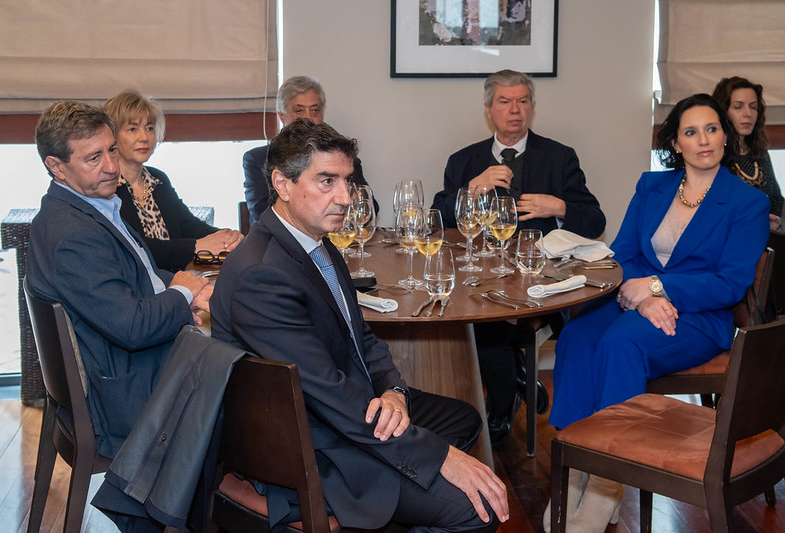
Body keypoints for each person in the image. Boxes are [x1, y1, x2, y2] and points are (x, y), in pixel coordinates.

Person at [212, 119, 508, 532]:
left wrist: (394, 392)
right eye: (327, 181)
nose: (345, 197)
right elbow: (328, 395)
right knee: (480, 510)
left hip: (345, 404)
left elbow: (362, 337)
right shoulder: (262, 274)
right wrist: (441, 457)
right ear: (282, 184)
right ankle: (381, 497)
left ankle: (395, 504)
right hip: (315, 442)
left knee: (462, 419)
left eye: (347, 181)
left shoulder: (314, 242)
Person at [544, 94, 770, 533]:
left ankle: (608, 481)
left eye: (712, 129)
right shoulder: (652, 186)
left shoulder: (747, 202)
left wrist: (656, 288)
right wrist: (644, 297)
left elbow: (729, 283)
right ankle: (576, 464)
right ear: (676, 143)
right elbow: (623, 254)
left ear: (725, 136)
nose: (703, 140)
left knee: (621, 341)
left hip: (700, 315)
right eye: (691, 132)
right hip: (635, 300)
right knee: (576, 337)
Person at [26, 101, 212, 459]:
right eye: (94, 158)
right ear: (57, 167)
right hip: (124, 395)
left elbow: (138, 272)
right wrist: (180, 295)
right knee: (247, 375)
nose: (112, 167)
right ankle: (211, 486)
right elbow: (134, 328)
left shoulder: (88, 205)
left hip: (122, 367)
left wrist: (191, 289)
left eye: (111, 150)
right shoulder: (74, 235)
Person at [430, 69, 606, 443]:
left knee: (489, 330)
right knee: (473, 319)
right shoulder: (463, 161)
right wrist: (472, 188)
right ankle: (515, 381)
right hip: (477, 278)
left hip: (540, 278)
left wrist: (558, 206)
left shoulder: (559, 157)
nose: (515, 110)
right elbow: (438, 219)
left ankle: (501, 405)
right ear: (489, 109)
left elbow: (595, 221)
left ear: (532, 107)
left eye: (522, 101)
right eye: (505, 102)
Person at [104, 89, 243, 271]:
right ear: (112, 136)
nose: (144, 137)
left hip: (177, 277)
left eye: (149, 128)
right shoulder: (107, 187)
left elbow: (188, 225)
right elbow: (137, 247)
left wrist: (228, 237)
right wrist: (196, 246)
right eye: (132, 129)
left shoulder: (158, 179)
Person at [243, 75, 378, 227]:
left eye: (315, 110)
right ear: (281, 116)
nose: (308, 118)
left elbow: (369, 209)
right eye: (299, 111)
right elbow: (262, 213)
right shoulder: (258, 159)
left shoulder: (341, 159)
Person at [712, 76, 784, 230]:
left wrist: (775, 220)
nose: (748, 113)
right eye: (738, 107)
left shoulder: (760, 152)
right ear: (723, 112)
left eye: (753, 107)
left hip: (766, 236)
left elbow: (776, 198)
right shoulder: (712, 155)